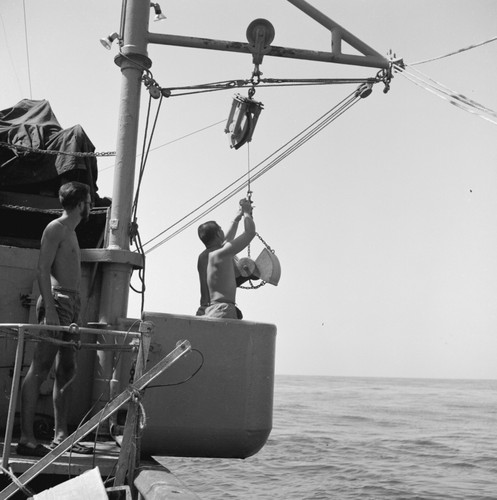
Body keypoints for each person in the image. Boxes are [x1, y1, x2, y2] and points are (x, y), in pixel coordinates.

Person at [17, 181, 93, 457]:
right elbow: (42, 269)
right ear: (81, 203)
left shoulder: (71, 232)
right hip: (57, 302)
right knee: (41, 367)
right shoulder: (56, 228)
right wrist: (49, 308)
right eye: (89, 200)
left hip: (72, 304)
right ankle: (26, 439)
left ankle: (62, 436)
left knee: (67, 370)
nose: (91, 204)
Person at [196, 198, 255, 319]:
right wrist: (247, 213)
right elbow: (250, 233)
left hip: (206, 310)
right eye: (221, 229)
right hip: (222, 310)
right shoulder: (222, 253)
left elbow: (225, 241)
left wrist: (237, 217)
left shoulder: (203, 257)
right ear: (218, 234)